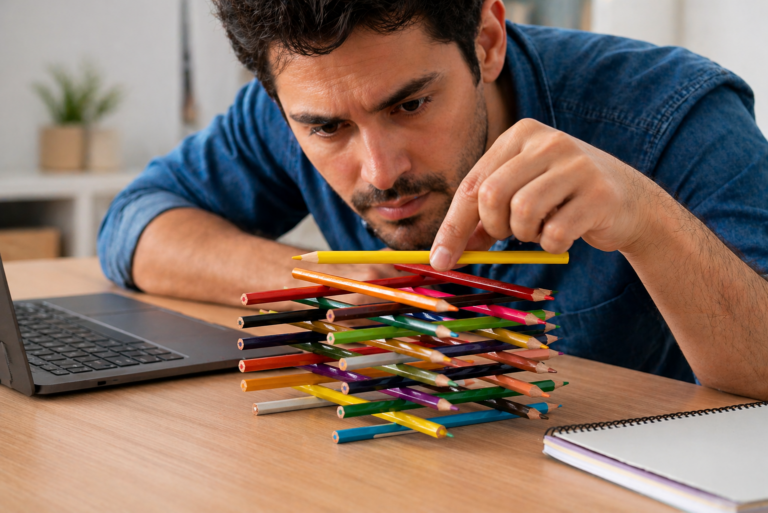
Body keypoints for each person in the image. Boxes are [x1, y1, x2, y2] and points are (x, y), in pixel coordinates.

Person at [98, 0, 768, 400]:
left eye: (412, 103)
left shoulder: (673, 114)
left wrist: (646, 221)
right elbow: (134, 223)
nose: (381, 171)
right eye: (328, 128)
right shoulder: (293, 106)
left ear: (487, 39)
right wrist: (319, 278)